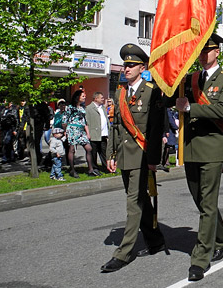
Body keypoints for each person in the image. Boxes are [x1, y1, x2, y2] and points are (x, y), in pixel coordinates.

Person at [173, 33, 223, 281]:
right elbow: (173, 99)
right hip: (191, 147)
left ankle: (201, 257)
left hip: (211, 146)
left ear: (217, 52)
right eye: (200, 51)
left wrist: (190, 107)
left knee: (207, 203)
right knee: (200, 199)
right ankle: (222, 238)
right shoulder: (189, 79)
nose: (203, 55)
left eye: (207, 51)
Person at [101, 44, 167, 273]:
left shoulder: (152, 92)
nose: (127, 68)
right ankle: (155, 240)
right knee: (140, 201)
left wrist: (153, 159)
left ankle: (124, 252)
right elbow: (115, 127)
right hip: (124, 156)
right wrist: (110, 153)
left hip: (141, 156)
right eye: (125, 65)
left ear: (142, 67)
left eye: (131, 65)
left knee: (133, 204)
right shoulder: (119, 93)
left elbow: (157, 128)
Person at [63, 89, 95, 177]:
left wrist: (88, 133)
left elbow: (85, 122)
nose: (85, 98)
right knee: (72, 149)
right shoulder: (70, 107)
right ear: (78, 97)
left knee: (89, 148)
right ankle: (72, 170)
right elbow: (64, 120)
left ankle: (90, 169)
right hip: (72, 129)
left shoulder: (82, 108)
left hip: (81, 130)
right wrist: (65, 131)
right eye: (83, 96)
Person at [86, 91, 110, 173]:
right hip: (94, 134)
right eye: (101, 98)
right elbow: (87, 122)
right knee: (93, 152)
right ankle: (94, 168)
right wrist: (88, 133)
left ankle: (106, 167)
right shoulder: (89, 108)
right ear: (96, 99)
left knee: (104, 152)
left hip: (103, 134)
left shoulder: (102, 107)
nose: (103, 99)